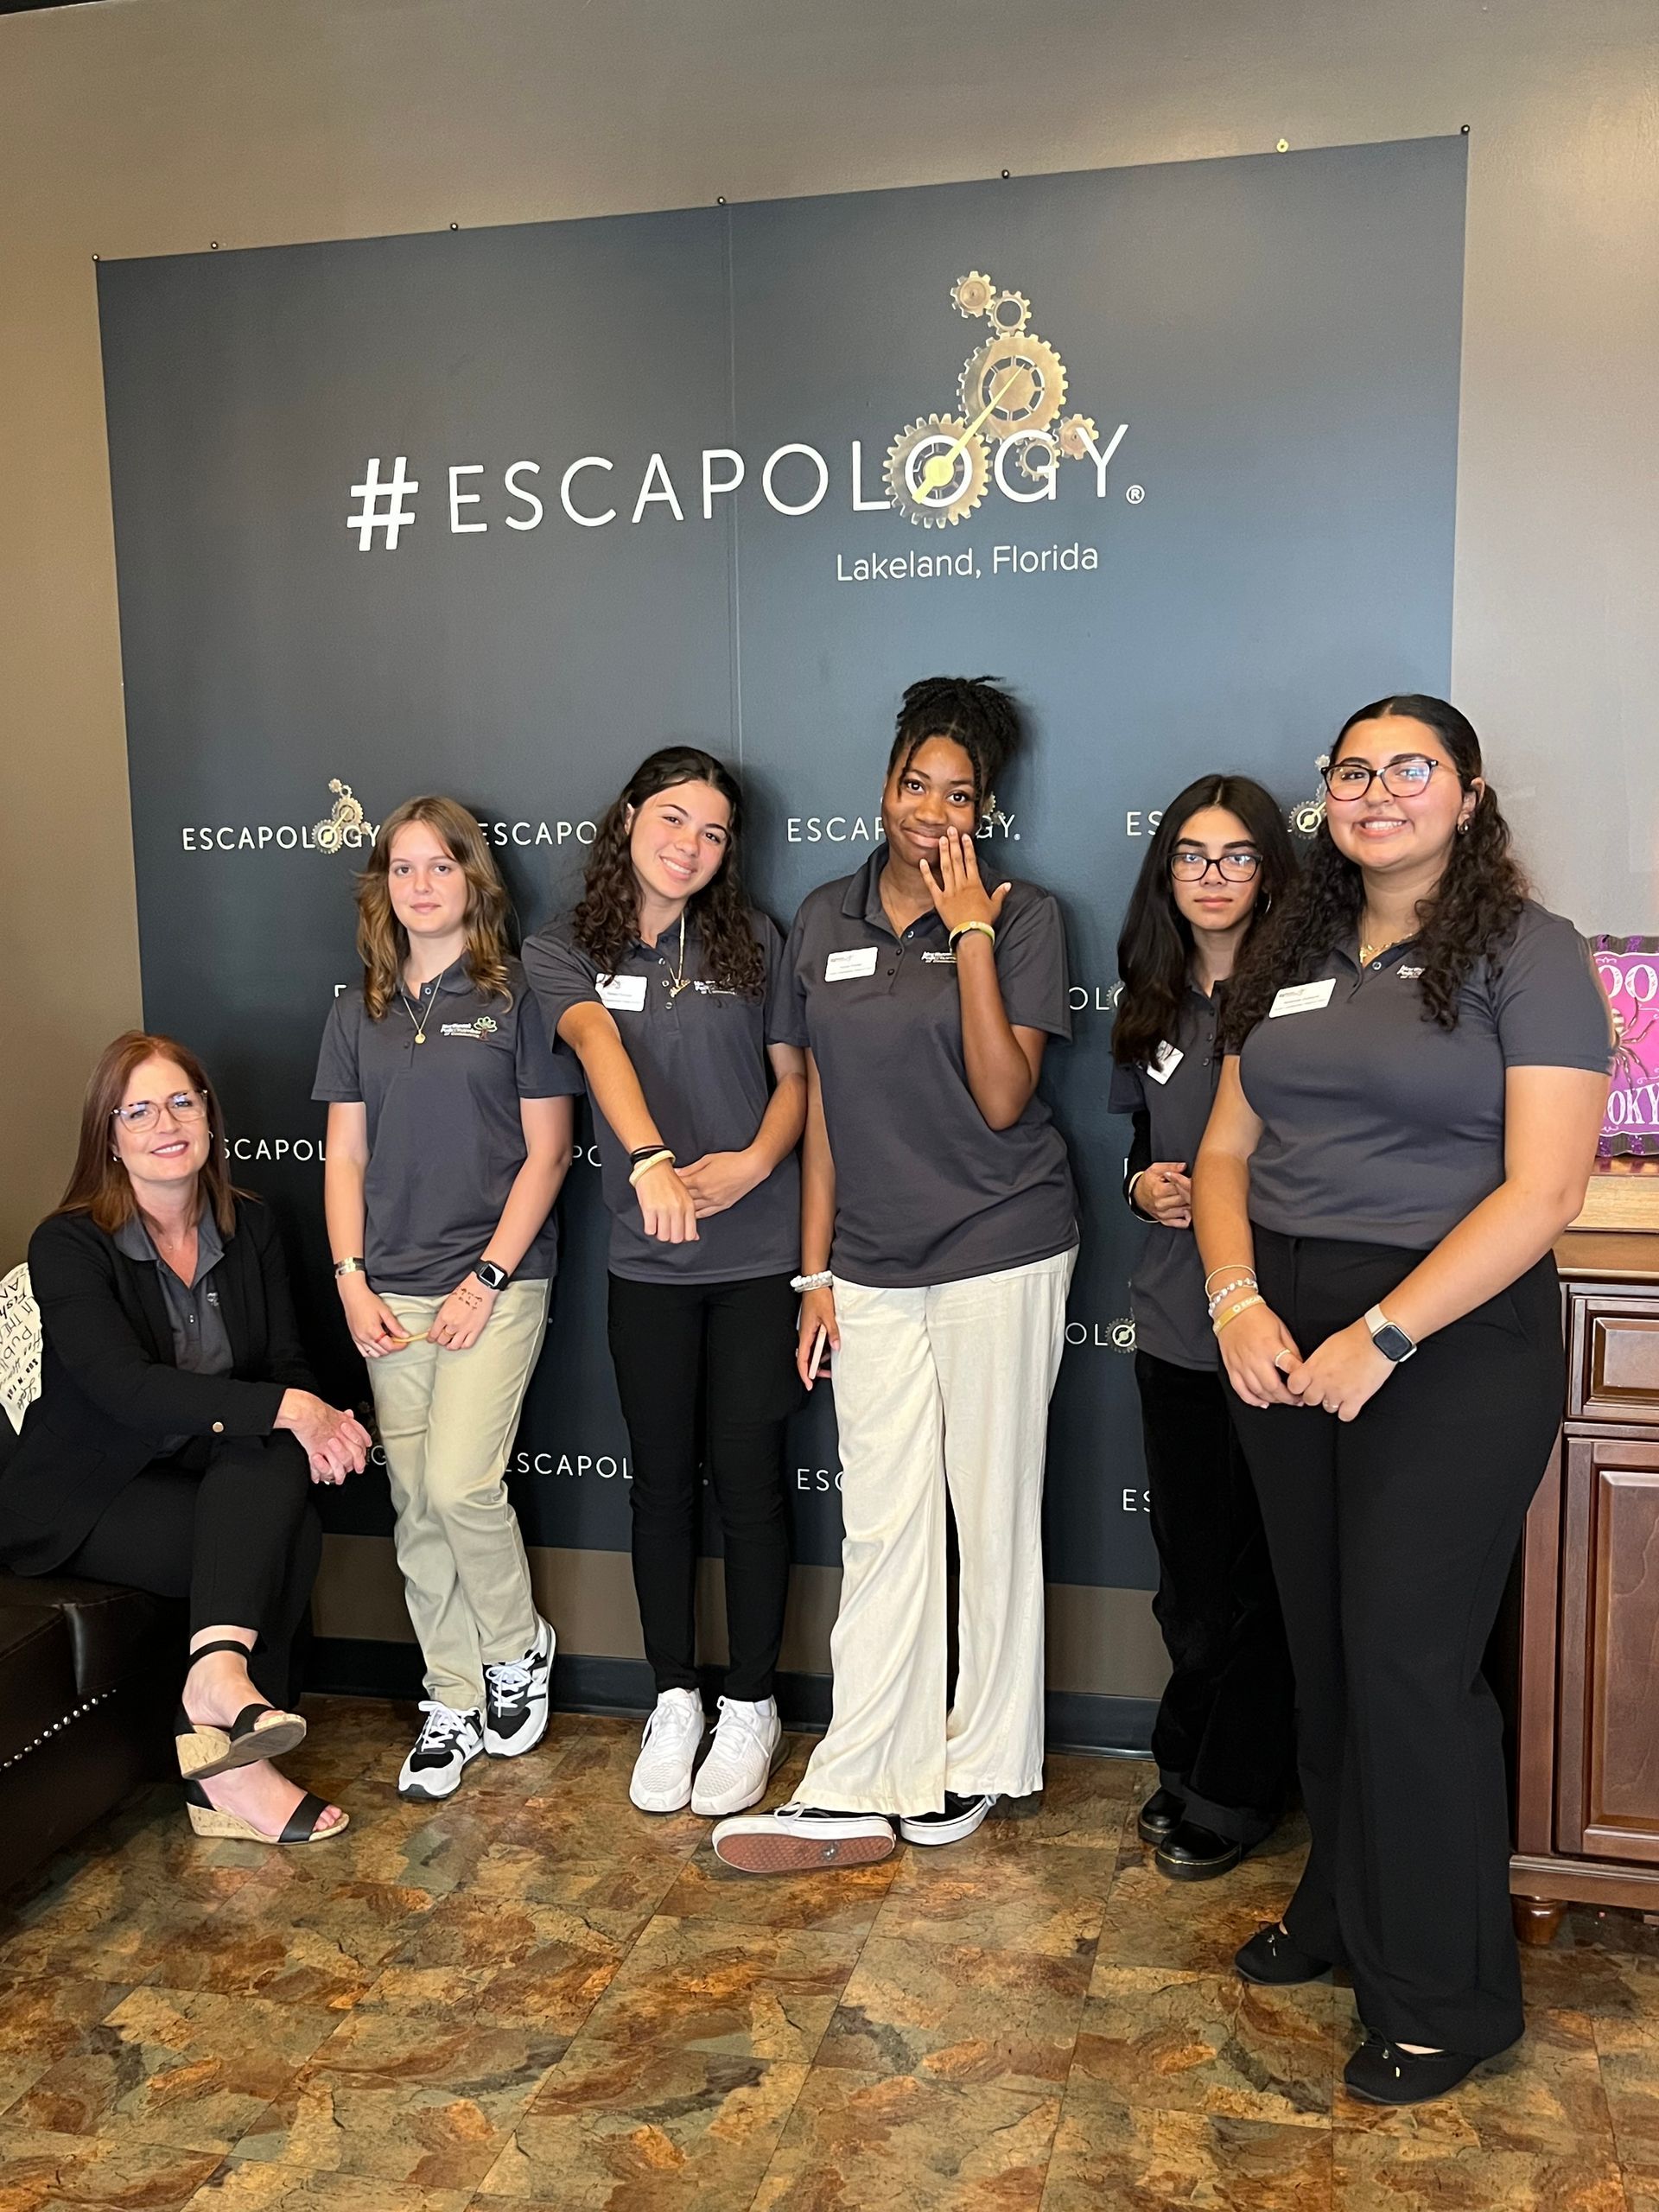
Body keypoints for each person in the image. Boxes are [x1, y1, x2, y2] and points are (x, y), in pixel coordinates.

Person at [1192, 695, 1611, 2105]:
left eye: (1410, 770)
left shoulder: (1527, 951)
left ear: (1470, 794)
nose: (1379, 792)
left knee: (1408, 1663)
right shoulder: (1294, 948)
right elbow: (1227, 1151)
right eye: (1354, 771)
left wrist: (1385, 1330)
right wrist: (1238, 1299)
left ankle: (1446, 1992)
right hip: (1282, 1330)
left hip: (1447, 1333)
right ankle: (1343, 1907)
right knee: (1323, 1645)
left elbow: (1544, 1190)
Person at [712, 675, 1077, 1873]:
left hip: (998, 1243)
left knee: (991, 1511)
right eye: (915, 784)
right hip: (867, 1262)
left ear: (987, 807)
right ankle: (868, 1763)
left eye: (958, 793)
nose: (931, 809)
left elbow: (1003, 1092)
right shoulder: (823, 917)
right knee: (883, 1525)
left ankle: (977, 1762)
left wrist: (969, 925)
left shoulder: (1025, 918)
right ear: (883, 787)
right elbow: (817, 1113)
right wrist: (811, 1276)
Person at [524, 747, 806, 1819]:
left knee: (747, 1476)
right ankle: (674, 1696)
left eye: (715, 832)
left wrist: (752, 1161)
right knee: (657, 1481)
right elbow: (595, 1042)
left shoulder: (756, 941)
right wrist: (648, 1162)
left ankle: (751, 1703)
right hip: (647, 1261)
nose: (690, 845)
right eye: (674, 819)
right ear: (630, 816)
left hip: (755, 1255)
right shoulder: (565, 950)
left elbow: (795, 1085)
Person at [0, 1032, 369, 1846]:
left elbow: (282, 1364)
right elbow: (124, 1391)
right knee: (283, 1511)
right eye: (138, 1110)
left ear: (208, 1115)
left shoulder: (253, 1226)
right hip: (90, 1497)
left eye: (181, 1101)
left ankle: (217, 1707)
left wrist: (308, 1417)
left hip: (203, 1468)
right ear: (111, 1137)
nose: (164, 1123)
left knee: (275, 1457)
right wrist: (297, 1412)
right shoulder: (68, 1244)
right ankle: (230, 1761)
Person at [315, 795, 582, 1802]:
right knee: (416, 1503)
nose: (421, 883)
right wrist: (349, 1279)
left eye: (441, 865)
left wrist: (489, 1277)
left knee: (465, 1485)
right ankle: (451, 1699)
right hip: (386, 1289)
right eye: (403, 867)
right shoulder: (358, 1010)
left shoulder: (518, 999)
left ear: (476, 879)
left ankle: (517, 1648)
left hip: (494, 1284)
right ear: (382, 885)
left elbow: (549, 1153)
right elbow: (344, 1153)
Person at [1110, 775, 1299, 1880]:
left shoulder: (1308, 994)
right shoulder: (1153, 995)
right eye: (1191, 855)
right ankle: (1188, 1757)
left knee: (1262, 1573)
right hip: (1176, 1318)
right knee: (1190, 1573)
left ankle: (1237, 1786)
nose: (1213, 876)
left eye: (1236, 856)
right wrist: (1145, 1189)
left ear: (1271, 869)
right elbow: (1136, 1141)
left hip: (1278, 1320)